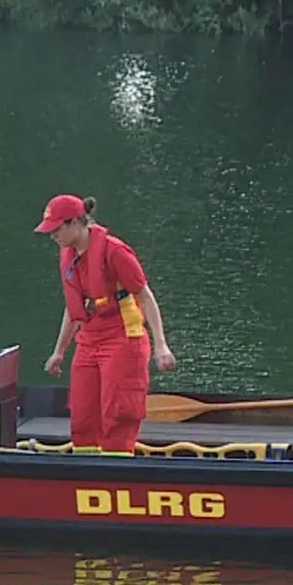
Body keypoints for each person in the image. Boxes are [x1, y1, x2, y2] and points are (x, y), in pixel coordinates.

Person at [36, 194, 176, 456]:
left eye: (56, 230)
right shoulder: (68, 255)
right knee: (83, 415)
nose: (52, 236)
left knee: (117, 413)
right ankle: (84, 475)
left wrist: (161, 346)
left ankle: (116, 471)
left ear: (75, 223)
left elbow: (145, 297)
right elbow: (73, 307)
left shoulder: (115, 251)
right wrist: (59, 351)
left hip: (123, 338)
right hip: (89, 339)